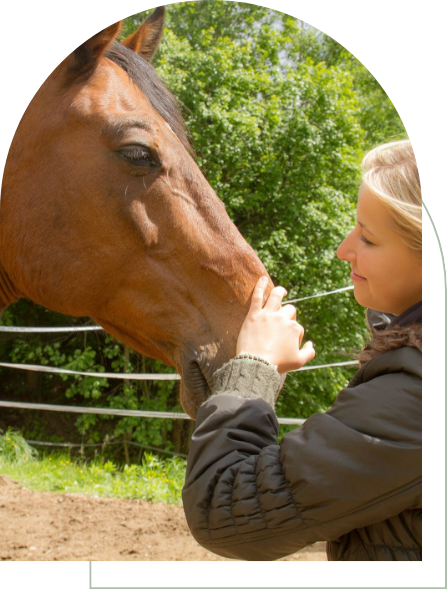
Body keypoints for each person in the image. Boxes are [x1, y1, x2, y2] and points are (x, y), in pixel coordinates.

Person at [182, 139, 422, 562]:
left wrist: (254, 366)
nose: (343, 249)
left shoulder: (415, 396)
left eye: (367, 237)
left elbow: (222, 509)